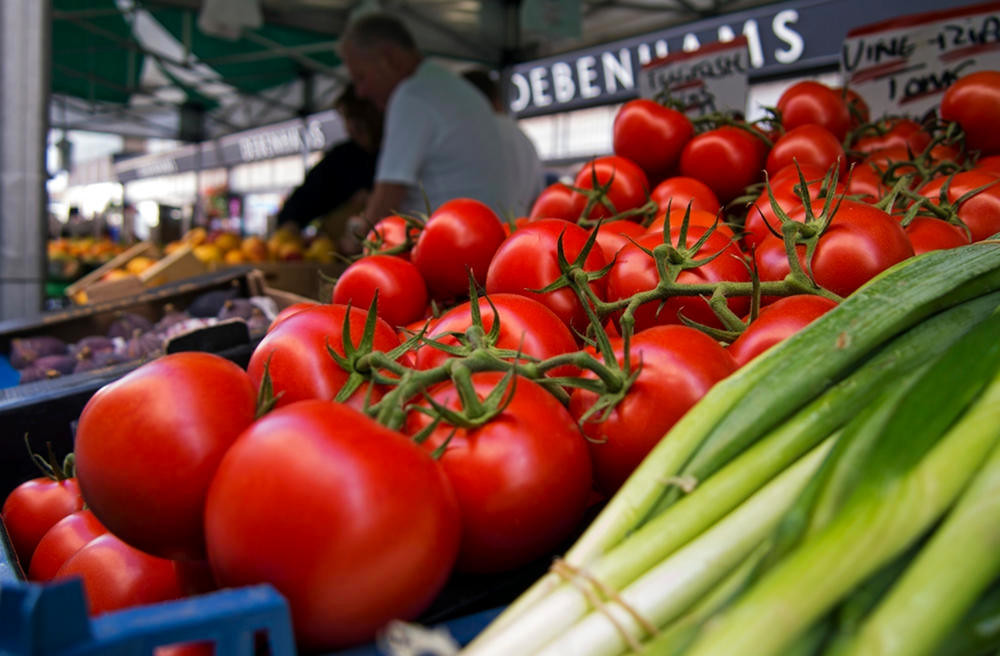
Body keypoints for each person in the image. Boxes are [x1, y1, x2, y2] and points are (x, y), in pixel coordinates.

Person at [338, 12, 509, 235]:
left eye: (361, 77)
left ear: (391, 59)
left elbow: (385, 202)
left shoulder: (412, 96)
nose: (360, 92)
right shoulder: (449, 86)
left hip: (449, 246)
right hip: (483, 239)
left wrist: (354, 242)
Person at [275, 84, 382, 248]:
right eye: (348, 118)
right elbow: (303, 199)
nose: (352, 126)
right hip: (341, 256)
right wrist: (290, 224)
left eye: (359, 117)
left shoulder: (394, 152)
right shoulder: (341, 158)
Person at [462, 68, 546, 217]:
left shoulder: (469, 133)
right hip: (519, 233)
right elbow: (538, 200)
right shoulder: (523, 137)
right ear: (496, 99)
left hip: (473, 232)